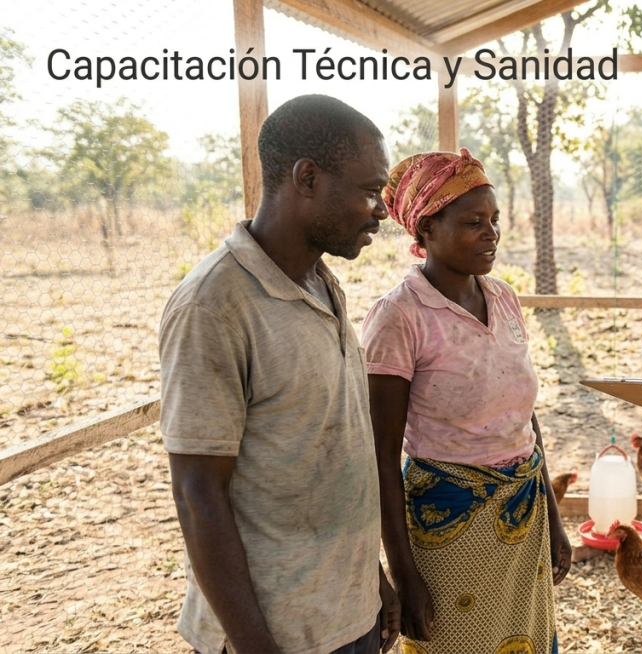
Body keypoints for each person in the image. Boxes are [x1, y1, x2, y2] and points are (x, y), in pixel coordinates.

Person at [158, 94, 400, 654]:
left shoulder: (320, 281)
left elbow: (332, 450)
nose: (382, 211)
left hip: (344, 614)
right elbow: (197, 493)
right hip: (274, 636)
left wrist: (370, 582)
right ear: (307, 178)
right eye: (369, 191)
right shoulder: (213, 305)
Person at [363, 149, 571, 654]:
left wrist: (553, 518)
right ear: (426, 230)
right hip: (448, 525)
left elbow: (523, 416)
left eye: (495, 220)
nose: (491, 233)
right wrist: (404, 573)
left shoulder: (502, 296)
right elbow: (382, 459)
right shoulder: (399, 317)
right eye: (473, 222)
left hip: (522, 515)